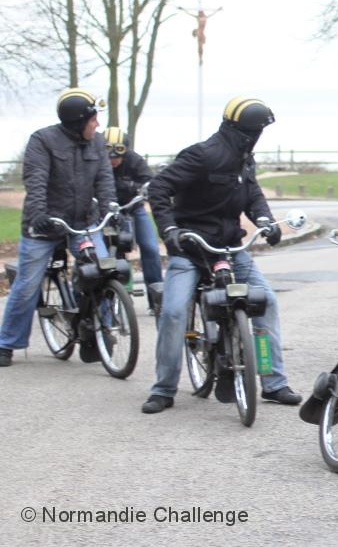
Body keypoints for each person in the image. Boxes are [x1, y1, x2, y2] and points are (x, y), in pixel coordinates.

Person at [142, 97, 301, 413]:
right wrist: (170, 229)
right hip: (190, 248)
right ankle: (163, 388)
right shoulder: (202, 155)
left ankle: (273, 383)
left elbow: (252, 193)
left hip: (229, 247)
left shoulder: (245, 158)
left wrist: (265, 221)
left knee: (266, 301)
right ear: (245, 131)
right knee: (173, 311)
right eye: (257, 131)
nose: (259, 137)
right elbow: (158, 188)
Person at [0, 89, 115, 368]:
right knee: (27, 285)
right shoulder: (43, 140)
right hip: (45, 223)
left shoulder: (97, 143)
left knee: (102, 271)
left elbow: (104, 177)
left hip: (84, 220)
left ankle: (100, 334)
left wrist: (112, 206)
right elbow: (36, 179)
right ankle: (7, 343)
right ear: (78, 121)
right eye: (93, 120)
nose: (97, 125)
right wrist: (39, 213)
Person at [103, 126, 163, 312]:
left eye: (117, 155)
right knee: (109, 251)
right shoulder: (97, 161)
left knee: (151, 248)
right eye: (109, 155)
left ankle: (156, 299)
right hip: (106, 211)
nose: (113, 160)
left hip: (133, 208)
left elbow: (150, 182)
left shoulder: (134, 160)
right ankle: (111, 297)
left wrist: (132, 187)